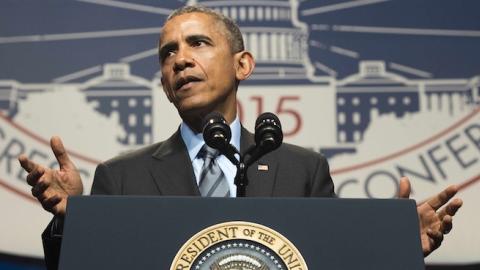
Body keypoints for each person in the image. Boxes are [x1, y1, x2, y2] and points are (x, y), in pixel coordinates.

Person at [18, 5, 462, 270]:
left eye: (198, 44)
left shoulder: (302, 169)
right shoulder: (121, 176)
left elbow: (329, 262)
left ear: (243, 65)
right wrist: (71, 221)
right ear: (163, 82)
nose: (180, 60)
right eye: (168, 52)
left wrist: (396, 248)